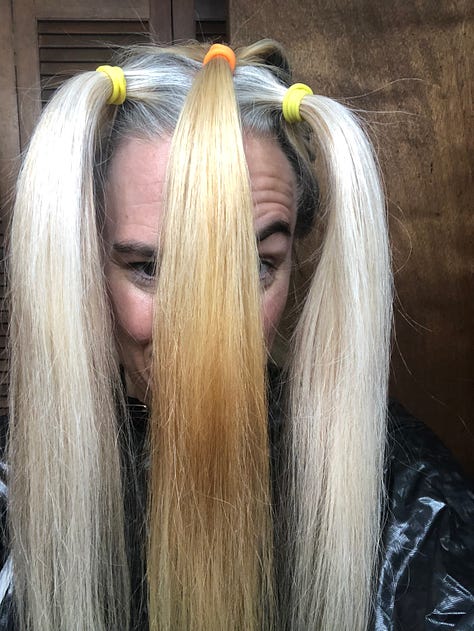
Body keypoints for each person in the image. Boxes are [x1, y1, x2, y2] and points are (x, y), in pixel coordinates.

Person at [1, 40, 472, 631]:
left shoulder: (410, 500)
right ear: (87, 260)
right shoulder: (14, 486)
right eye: (150, 268)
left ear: (295, 260)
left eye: (255, 266)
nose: (203, 333)